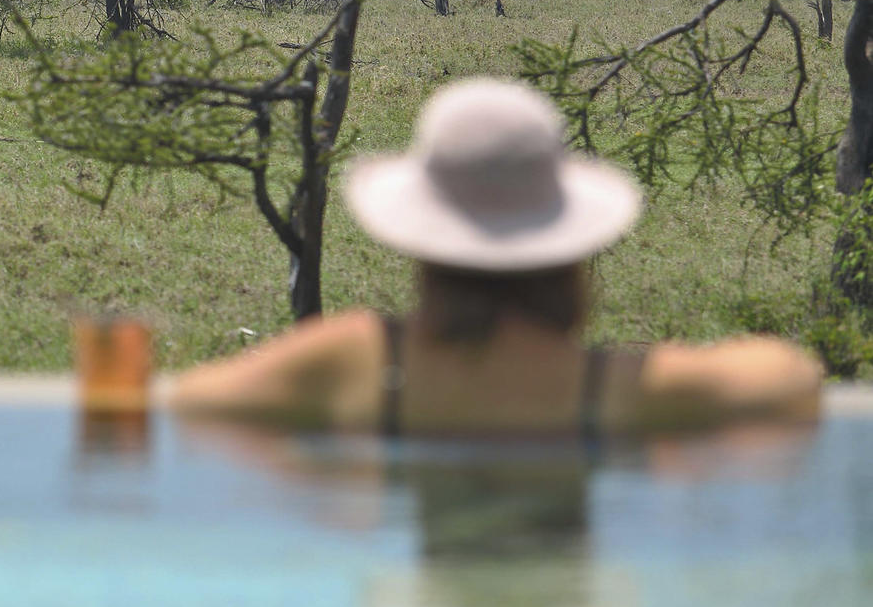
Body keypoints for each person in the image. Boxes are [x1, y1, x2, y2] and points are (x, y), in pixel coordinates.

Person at [161, 78, 823, 436]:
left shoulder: (352, 360)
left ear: (422, 244)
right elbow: (790, 376)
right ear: (569, 249)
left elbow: (187, 403)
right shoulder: (621, 390)